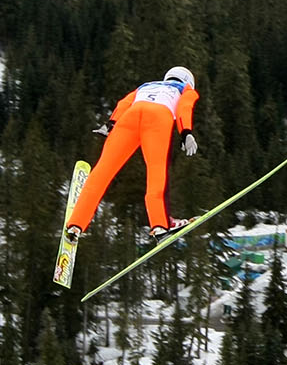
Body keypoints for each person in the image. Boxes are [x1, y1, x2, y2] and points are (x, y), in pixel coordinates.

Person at [65, 66, 200, 240]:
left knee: (102, 171)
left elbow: (124, 103)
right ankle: (160, 224)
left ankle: (76, 224)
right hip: (158, 117)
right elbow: (185, 107)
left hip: (130, 116)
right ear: (189, 81)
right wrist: (186, 132)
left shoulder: (146, 86)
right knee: (156, 171)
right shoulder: (185, 89)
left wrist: (110, 124)